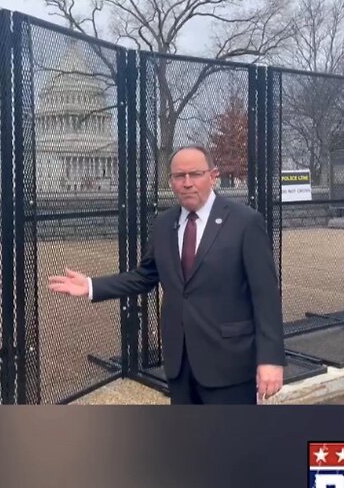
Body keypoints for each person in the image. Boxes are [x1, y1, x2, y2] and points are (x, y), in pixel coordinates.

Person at [48, 146, 285, 404]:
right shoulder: (164, 223)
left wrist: (271, 359)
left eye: (195, 174)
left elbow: (266, 296)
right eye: (178, 176)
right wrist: (92, 286)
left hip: (230, 363)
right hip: (180, 364)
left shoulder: (245, 222)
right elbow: (145, 276)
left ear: (213, 175)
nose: (186, 183)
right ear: (170, 181)